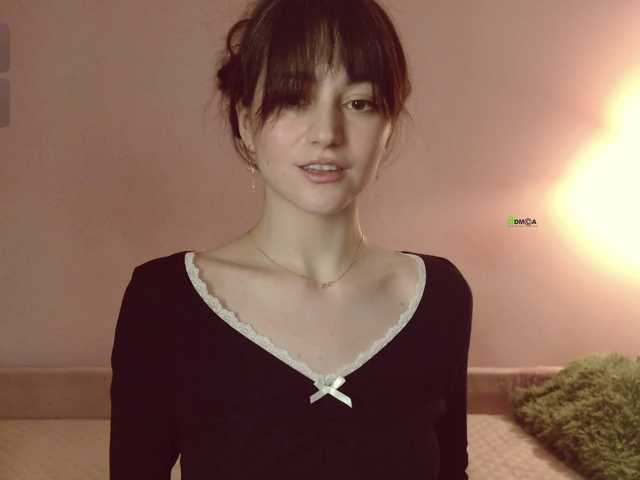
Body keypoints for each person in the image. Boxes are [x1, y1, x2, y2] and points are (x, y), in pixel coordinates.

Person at [109, 0, 473, 479]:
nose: (327, 133)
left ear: (388, 127)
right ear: (245, 122)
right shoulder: (163, 299)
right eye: (294, 99)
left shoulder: (440, 295)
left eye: (359, 103)